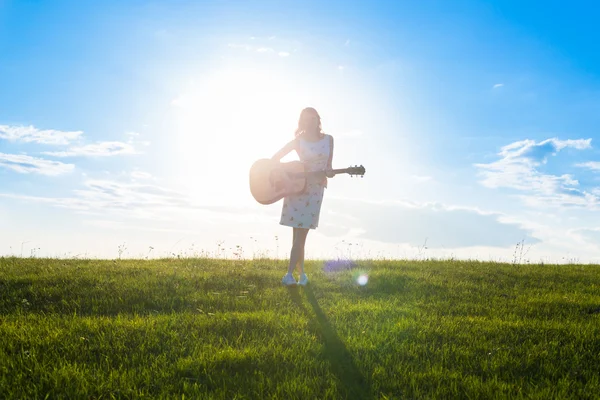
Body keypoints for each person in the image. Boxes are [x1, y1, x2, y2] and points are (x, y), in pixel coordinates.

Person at [271, 107, 334, 286]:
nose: (309, 122)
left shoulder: (329, 140)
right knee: (298, 237)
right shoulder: (298, 142)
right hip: (296, 188)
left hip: (315, 190)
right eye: (305, 119)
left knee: (301, 236)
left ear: (318, 120)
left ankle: (295, 275)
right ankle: (296, 275)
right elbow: (274, 159)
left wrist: (329, 172)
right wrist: (286, 175)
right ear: (301, 122)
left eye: (313, 118)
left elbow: (329, 167)